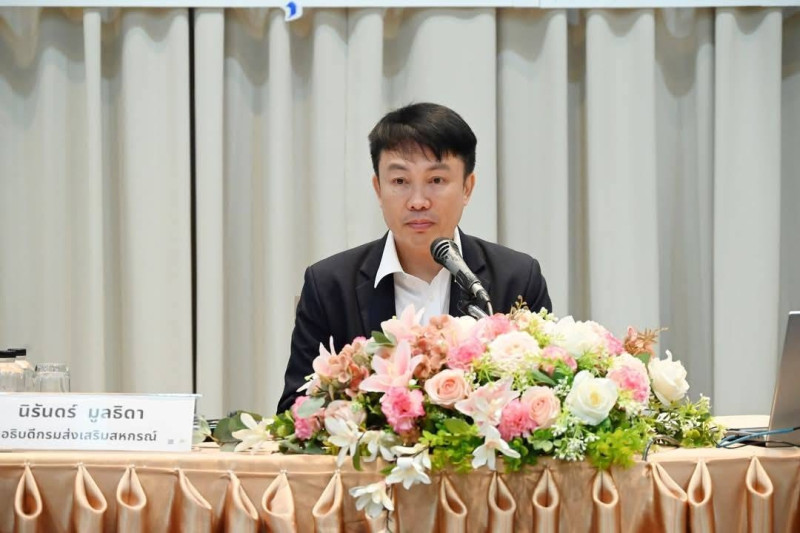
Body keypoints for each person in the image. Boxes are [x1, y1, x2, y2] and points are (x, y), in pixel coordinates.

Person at [277, 103, 551, 413]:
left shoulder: (516, 278)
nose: (418, 202)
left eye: (436, 181)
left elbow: (544, 400)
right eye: (400, 181)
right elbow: (294, 410)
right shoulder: (329, 285)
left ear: (467, 187)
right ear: (378, 189)